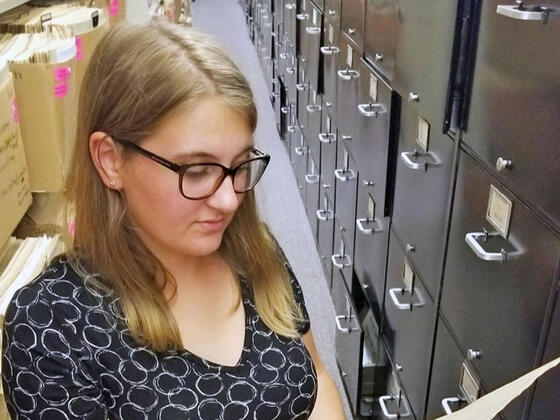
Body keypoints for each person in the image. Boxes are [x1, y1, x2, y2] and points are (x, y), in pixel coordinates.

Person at [1, 20, 346, 420]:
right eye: (197, 171)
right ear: (110, 160)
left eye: (239, 165)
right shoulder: (51, 327)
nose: (230, 199)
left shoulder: (256, 249)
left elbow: (316, 379)